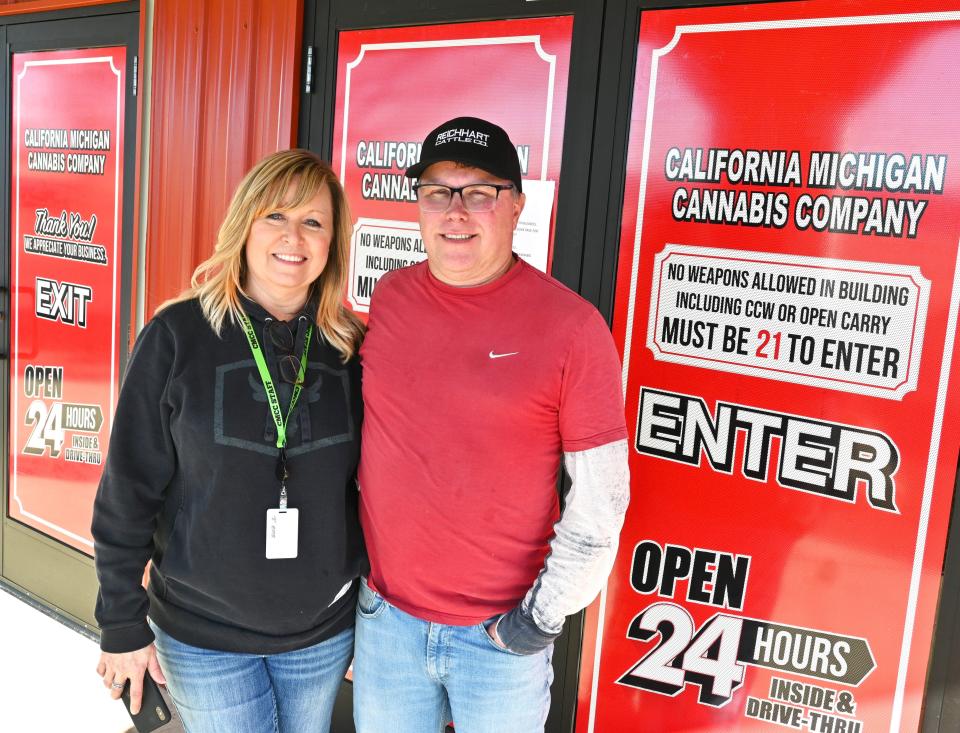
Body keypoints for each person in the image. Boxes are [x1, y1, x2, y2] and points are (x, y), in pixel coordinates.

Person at [353, 116, 630, 733]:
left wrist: (540, 619)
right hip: (387, 624)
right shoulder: (390, 297)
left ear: (516, 207)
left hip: (501, 639)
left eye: (479, 192)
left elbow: (602, 500)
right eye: (437, 193)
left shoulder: (573, 329)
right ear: (419, 207)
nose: (456, 212)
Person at [92, 149, 365, 733]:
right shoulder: (177, 336)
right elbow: (127, 489)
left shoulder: (353, 350)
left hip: (321, 634)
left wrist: (372, 610)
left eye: (313, 222)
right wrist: (121, 624)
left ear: (333, 242)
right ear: (244, 226)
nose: (293, 237)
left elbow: (372, 494)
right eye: (275, 216)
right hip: (203, 633)